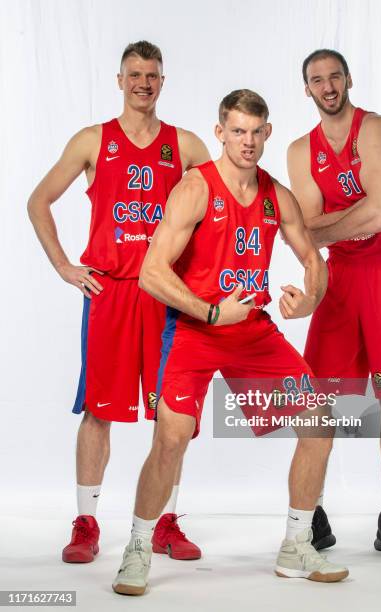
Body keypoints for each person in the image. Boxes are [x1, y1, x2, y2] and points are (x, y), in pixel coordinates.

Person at [111, 89, 349, 595]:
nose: (247, 141)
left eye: (256, 132)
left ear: (267, 133)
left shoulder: (276, 194)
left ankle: (296, 545)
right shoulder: (196, 189)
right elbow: (152, 272)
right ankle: (137, 546)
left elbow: (313, 260)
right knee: (171, 438)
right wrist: (211, 310)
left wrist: (308, 300)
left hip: (252, 330)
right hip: (196, 328)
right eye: (237, 131)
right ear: (220, 133)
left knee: (318, 420)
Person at [27, 40, 210, 565]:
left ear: (163, 81)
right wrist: (64, 264)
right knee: (98, 411)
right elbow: (38, 200)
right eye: (135, 74)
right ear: (120, 79)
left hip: (163, 295)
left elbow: (224, 200)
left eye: (152, 75)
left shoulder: (186, 145)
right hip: (108, 291)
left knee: (171, 412)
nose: (143, 83)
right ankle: (86, 522)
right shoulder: (92, 140)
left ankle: (164, 522)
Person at [287, 48, 381, 559]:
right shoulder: (298, 150)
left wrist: (326, 225)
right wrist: (332, 225)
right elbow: (304, 230)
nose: (327, 87)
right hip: (340, 274)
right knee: (318, 392)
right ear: (305, 88)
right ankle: (314, 513)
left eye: (334, 77)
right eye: (317, 80)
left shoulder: (376, 130)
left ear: (348, 79)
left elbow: (379, 215)